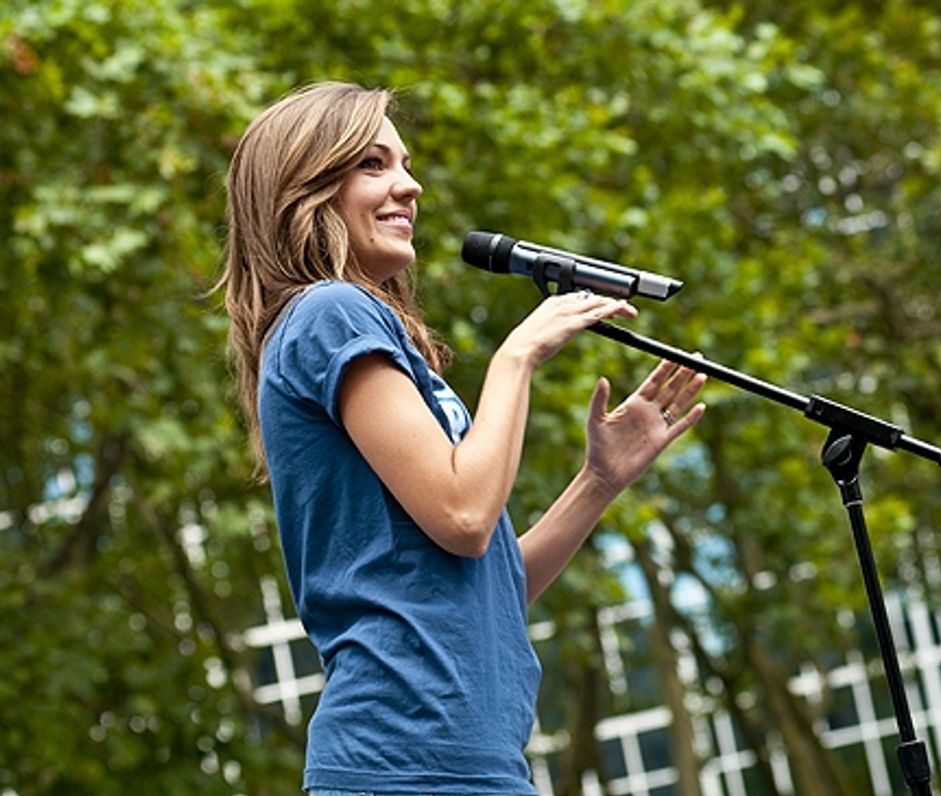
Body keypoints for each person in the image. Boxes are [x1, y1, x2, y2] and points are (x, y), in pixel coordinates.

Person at [215, 81, 705, 794]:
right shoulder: (331, 313)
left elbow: (483, 583)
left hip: (464, 762)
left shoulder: (351, 325)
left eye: (406, 165)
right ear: (306, 187)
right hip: (407, 764)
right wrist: (517, 357)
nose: (409, 186)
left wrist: (598, 481)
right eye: (374, 164)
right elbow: (466, 516)